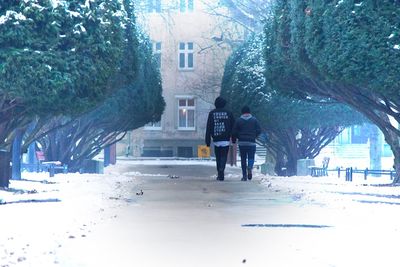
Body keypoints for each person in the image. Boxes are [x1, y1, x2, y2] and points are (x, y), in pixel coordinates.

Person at [205, 96, 235, 181]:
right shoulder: (229, 113)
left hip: (216, 139)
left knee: (218, 156)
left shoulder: (212, 113)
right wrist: (233, 138)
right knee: (224, 156)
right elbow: (233, 126)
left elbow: (209, 127)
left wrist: (207, 141)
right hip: (225, 138)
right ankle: (222, 169)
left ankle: (219, 172)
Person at [232, 106, 261, 181]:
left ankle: (244, 176)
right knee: (251, 157)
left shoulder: (238, 121)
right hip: (251, 142)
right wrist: (254, 135)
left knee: (243, 159)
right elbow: (259, 130)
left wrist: (235, 139)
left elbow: (234, 131)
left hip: (242, 142)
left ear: (242, 112)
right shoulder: (254, 120)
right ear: (249, 112)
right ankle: (250, 168)